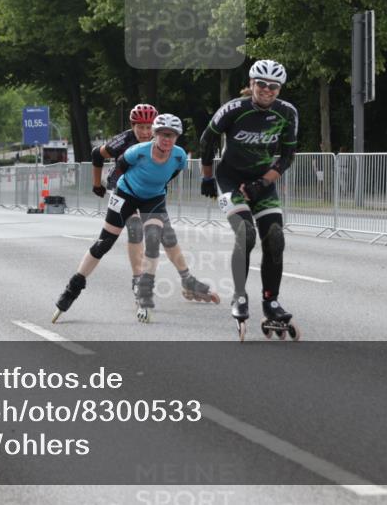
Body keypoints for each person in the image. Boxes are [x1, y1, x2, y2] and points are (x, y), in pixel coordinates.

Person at [55, 114, 198, 323]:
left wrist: (154, 186)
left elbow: (171, 174)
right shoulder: (137, 152)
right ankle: (72, 288)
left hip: (153, 198)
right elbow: (118, 170)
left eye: (173, 136)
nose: (167, 140)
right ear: (155, 135)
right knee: (104, 243)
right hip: (125, 194)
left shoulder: (179, 157)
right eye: (163, 135)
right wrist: (107, 188)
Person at [199, 59, 301, 341]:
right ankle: (239, 296)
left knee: (275, 237)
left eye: (274, 86)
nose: (267, 90)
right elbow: (207, 142)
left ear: (279, 88)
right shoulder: (234, 109)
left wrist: (262, 183)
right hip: (230, 179)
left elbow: (288, 156)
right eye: (262, 84)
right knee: (246, 235)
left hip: (262, 182)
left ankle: (271, 301)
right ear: (252, 84)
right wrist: (207, 177)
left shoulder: (287, 112)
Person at [91, 104, 216, 303]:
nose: (145, 132)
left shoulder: (162, 143)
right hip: (122, 188)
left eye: (149, 127)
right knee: (134, 228)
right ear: (132, 126)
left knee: (166, 235)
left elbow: (171, 170)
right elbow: (97, 154)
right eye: (140, 127)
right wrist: (97, 184)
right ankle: (137, 278)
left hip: (150, 194)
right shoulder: (123, 141)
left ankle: (187, 279)